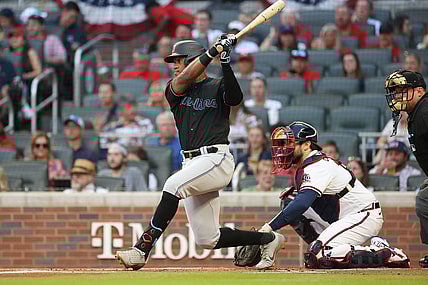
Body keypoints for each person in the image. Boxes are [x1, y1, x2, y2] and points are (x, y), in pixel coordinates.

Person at [115, 37, 285, 270]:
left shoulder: (216, 85)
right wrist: (213, 52)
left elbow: (235, 98)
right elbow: (184, 78)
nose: (175, 65)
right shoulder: (175, 90)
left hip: (216, 159)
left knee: (173, 185)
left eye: (179, 60)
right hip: (192, 163)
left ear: (193, 60)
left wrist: (225, 62)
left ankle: (141, 249)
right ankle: (268, 239)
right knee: (207, 239)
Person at [255, 121, 409, 270]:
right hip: (343, 217)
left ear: (307, 145)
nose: (285, 149)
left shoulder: (317, 166)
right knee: (289, 199)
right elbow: (298, 204)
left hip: (364, 215)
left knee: (318, 256)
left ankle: (383, 251)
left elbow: (302, 204)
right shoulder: (308, 165)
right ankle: (321, 245)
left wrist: (268, 227)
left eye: (291, 144)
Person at [384, 70, 428, 267]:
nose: (397, 96)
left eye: (402, 90)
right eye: (395, 92)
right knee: (424, 200)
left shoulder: (425, 111)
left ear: (419, 91)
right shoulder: (416, 113)